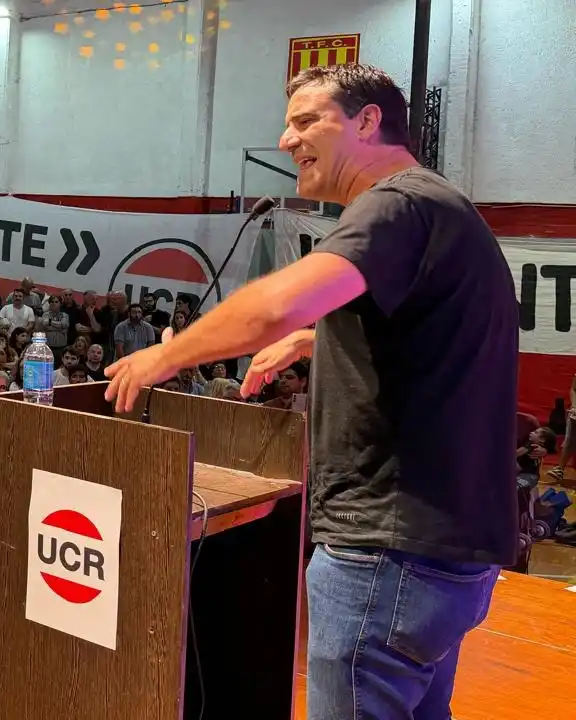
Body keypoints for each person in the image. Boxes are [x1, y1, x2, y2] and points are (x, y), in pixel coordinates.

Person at [104, 64, 516, 720]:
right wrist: (313, 343)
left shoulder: (395, 204)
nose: (284, 138)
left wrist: (167, 352)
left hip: (386, 554)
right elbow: (423, 340)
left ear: (368, 120)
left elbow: (277, 305)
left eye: (304, 121)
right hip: (447, 553)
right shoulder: (441, 208)